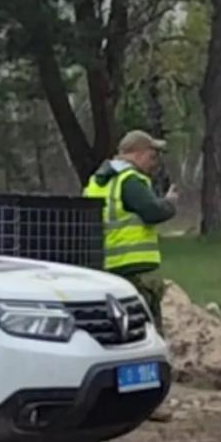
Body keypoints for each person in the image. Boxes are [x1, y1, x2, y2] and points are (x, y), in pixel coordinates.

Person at [84, 129, 178, 333]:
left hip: (104, 265)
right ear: (138, 154)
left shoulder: (96, 182)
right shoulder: (130, 181)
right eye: (152, 157)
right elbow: (152, 212)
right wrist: (169, 203)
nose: (154, 163)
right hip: (132, 267)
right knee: (146, 327)